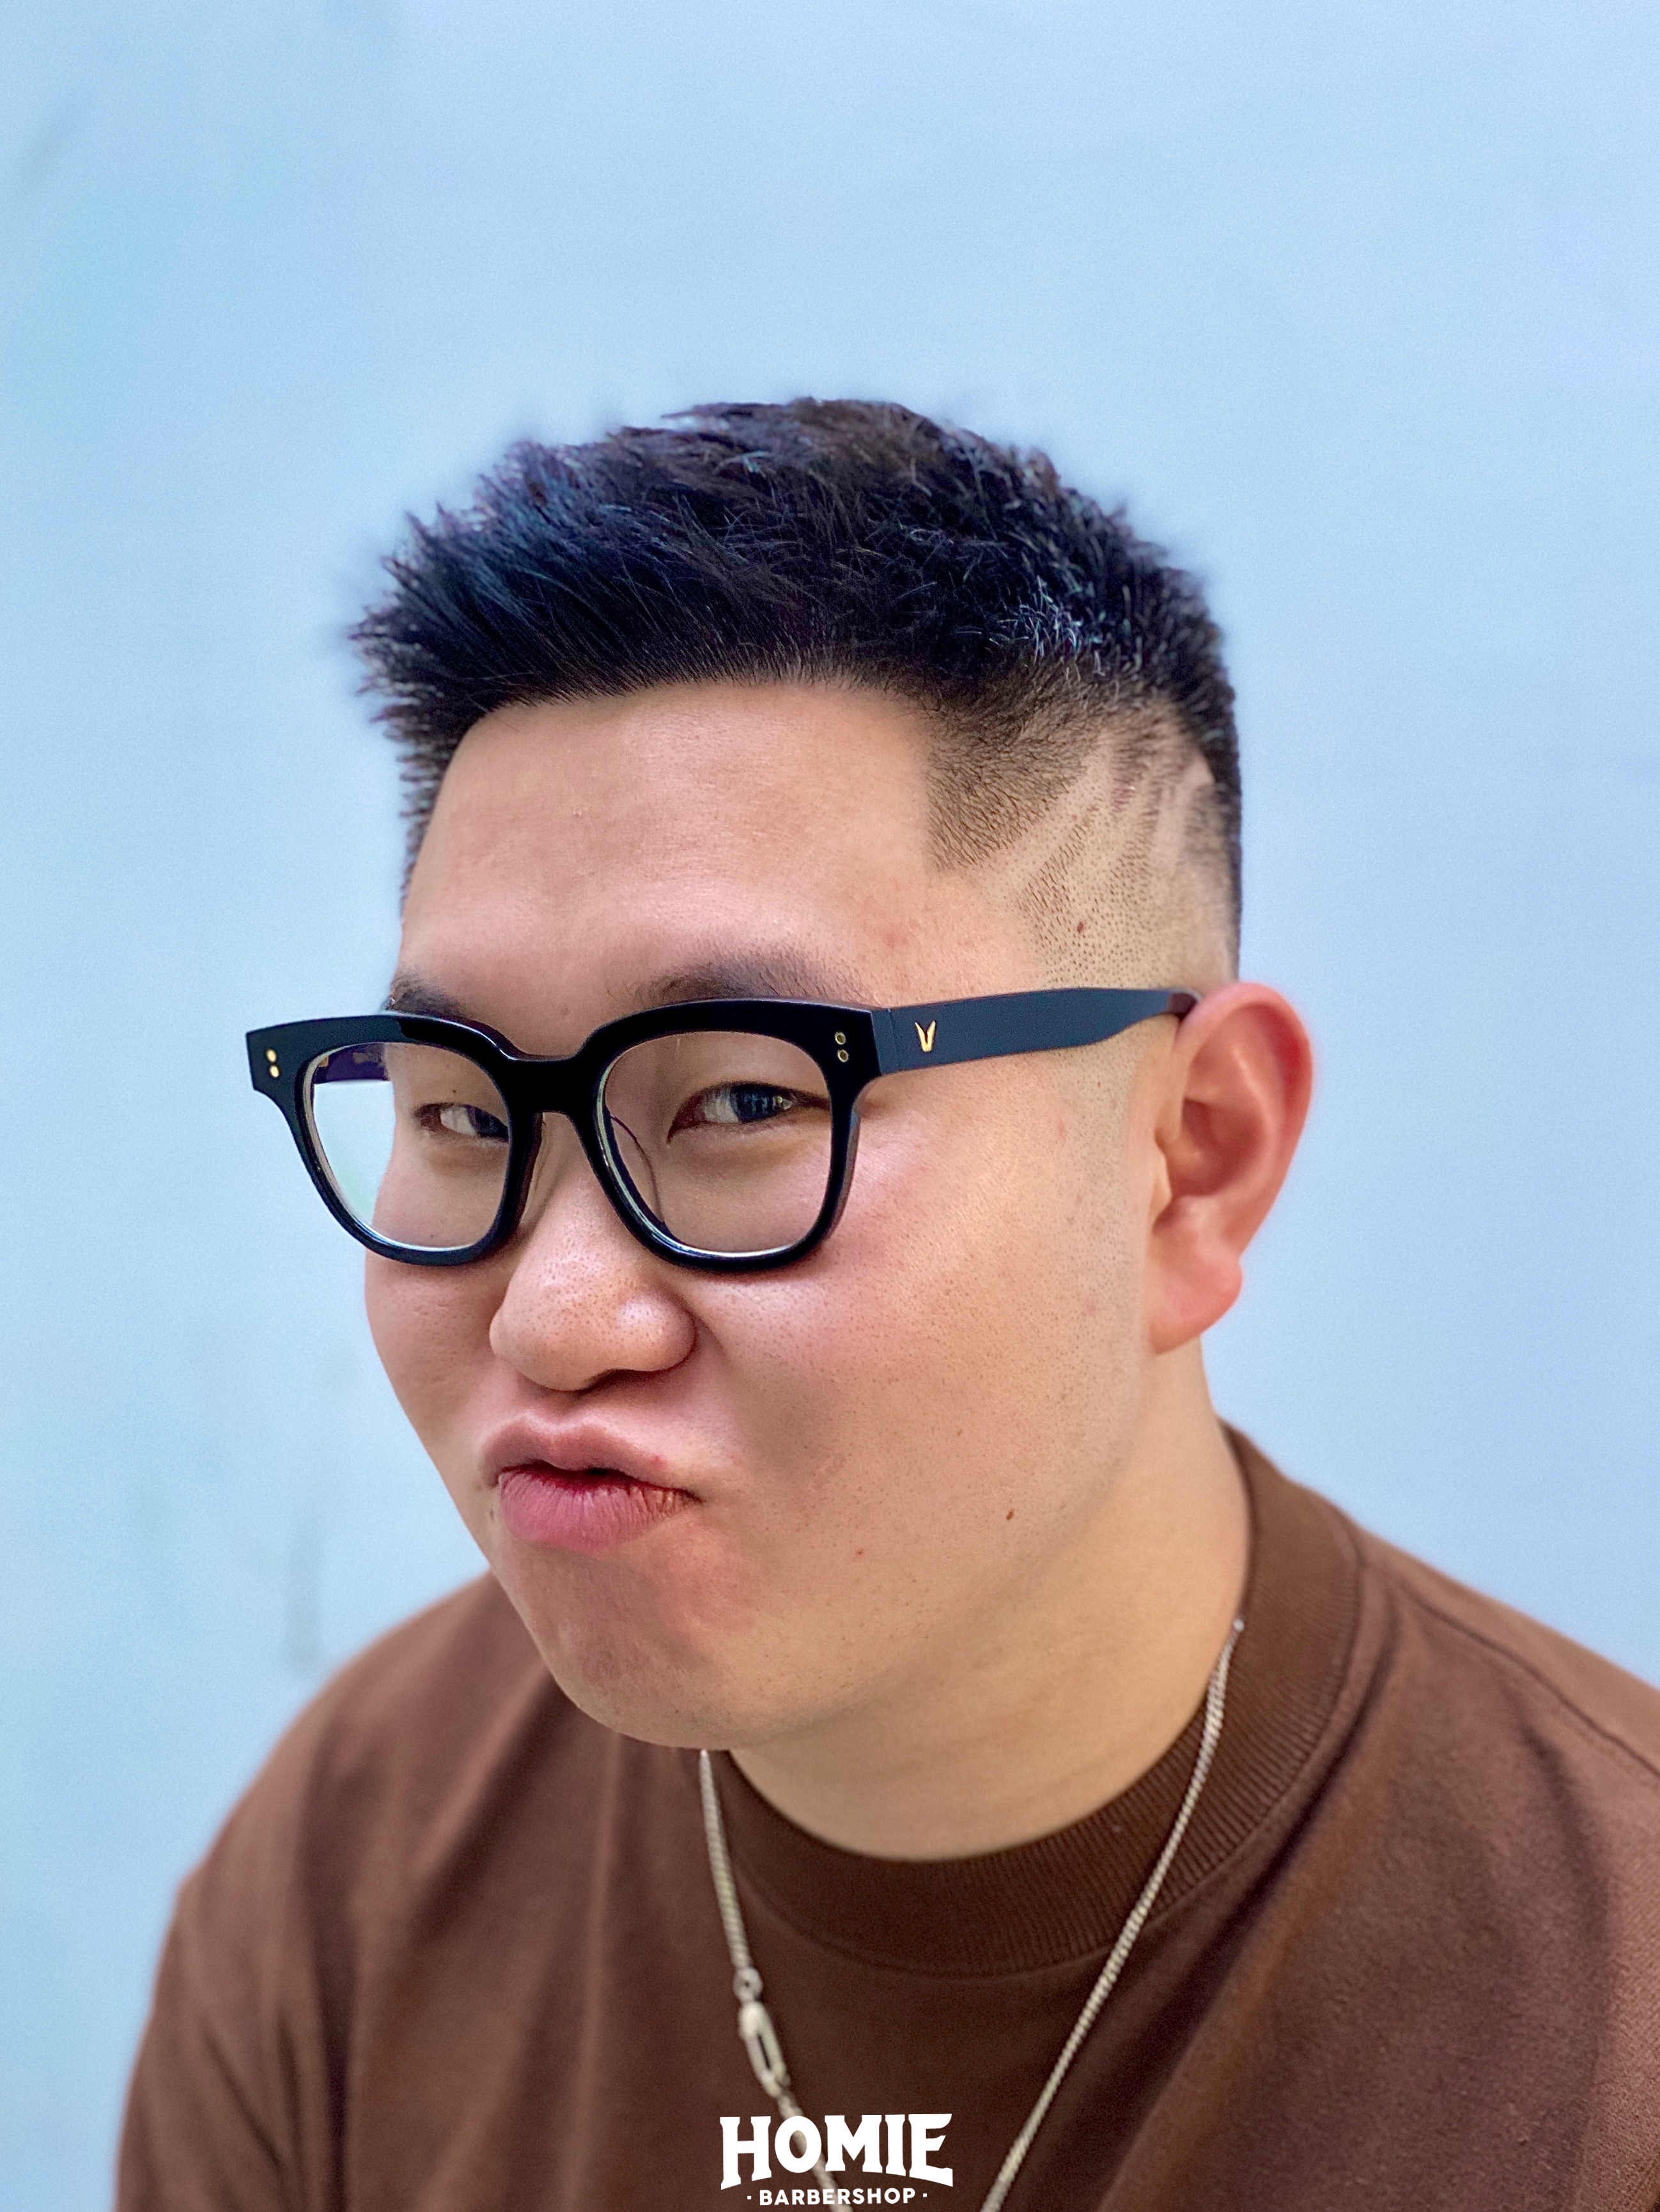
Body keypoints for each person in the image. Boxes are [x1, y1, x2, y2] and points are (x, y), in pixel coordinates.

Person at [120, 401, 1660, 2212]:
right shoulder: (357, 1869)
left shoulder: (1608, 2023)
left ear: (1193, 1157)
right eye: (461, 1115)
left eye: (743, 1100)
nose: (552, 1315)